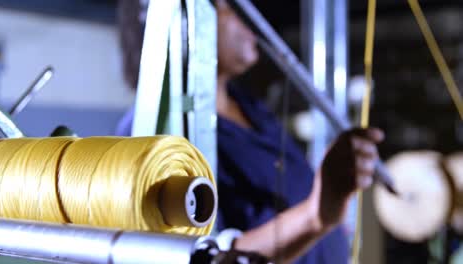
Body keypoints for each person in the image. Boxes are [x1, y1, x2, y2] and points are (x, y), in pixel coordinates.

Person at [117, 0, 384, 263]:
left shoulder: (247, 105)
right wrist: (315, 215)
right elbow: (202, 256)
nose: (249, 18)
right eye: (231, 7)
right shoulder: (152, 134)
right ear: (180, 20)